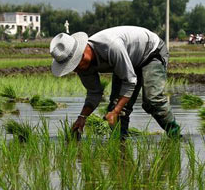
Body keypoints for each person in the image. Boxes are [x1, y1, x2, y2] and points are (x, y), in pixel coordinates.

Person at [49, 26, 180, 138]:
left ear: (82, 54)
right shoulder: (83, 67)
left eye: (75, 65)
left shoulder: (111, 46)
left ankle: (175, 136)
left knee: (152, 100)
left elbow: (129, 81)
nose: (76, 71)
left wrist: (116, 111)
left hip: (151, 52)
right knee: (116, 107)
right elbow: (94, 93)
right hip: (127, 60)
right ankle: (120, 145)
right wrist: (82, 117)